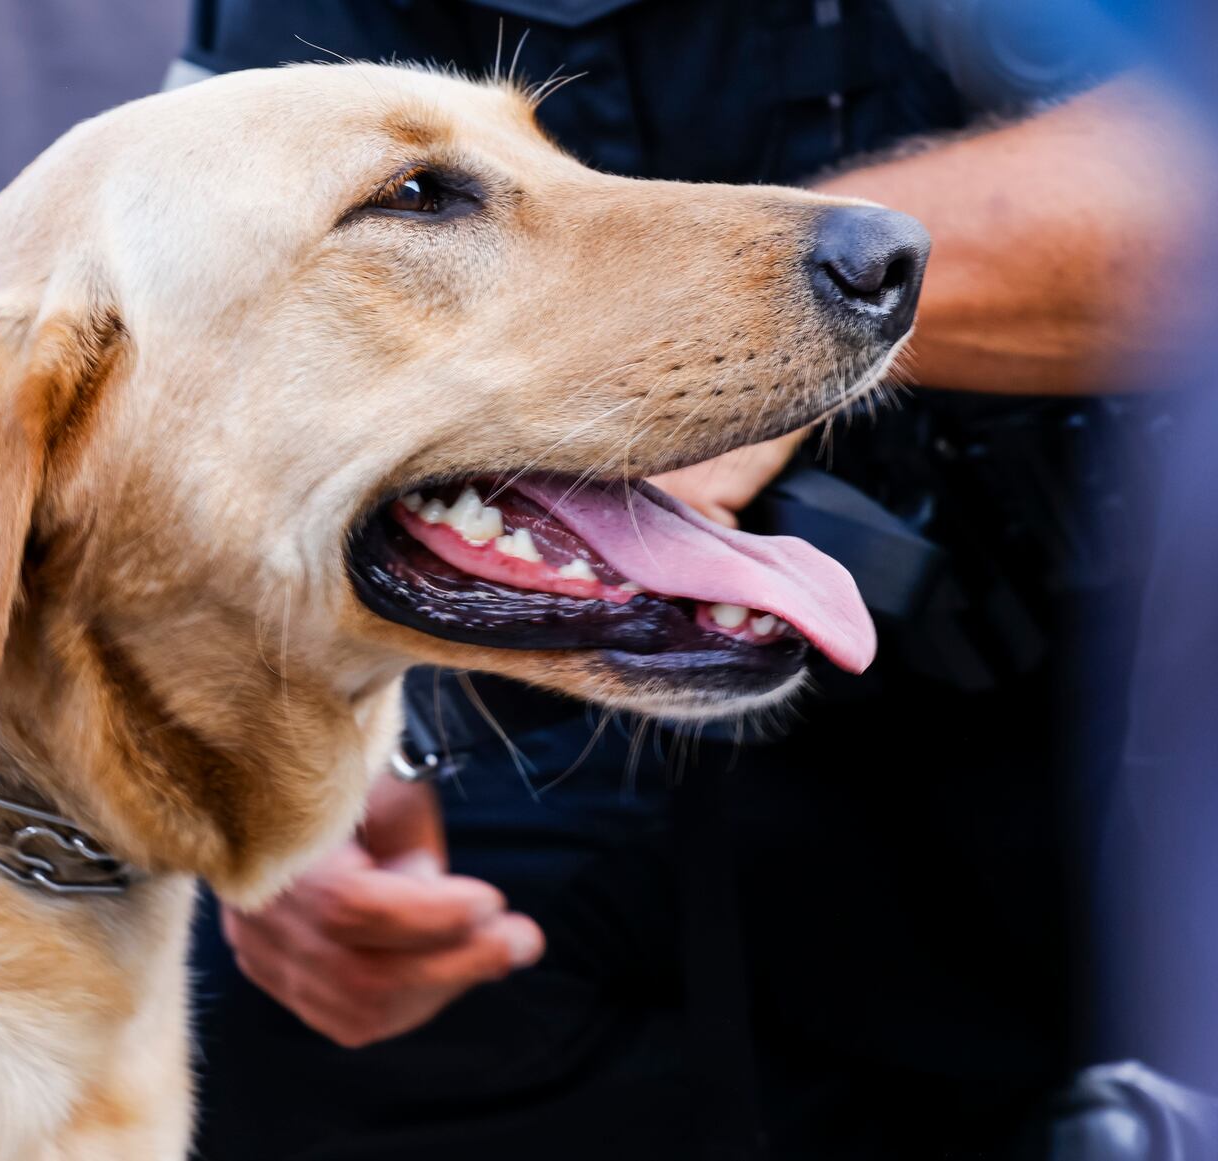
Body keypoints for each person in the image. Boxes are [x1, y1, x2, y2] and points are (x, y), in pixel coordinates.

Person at [176, 2, 1212, 1158]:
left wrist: (762, 308)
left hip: (1116, 706)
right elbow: (236, 356)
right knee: (258, 1014)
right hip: (598, 723)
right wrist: (320, 747)